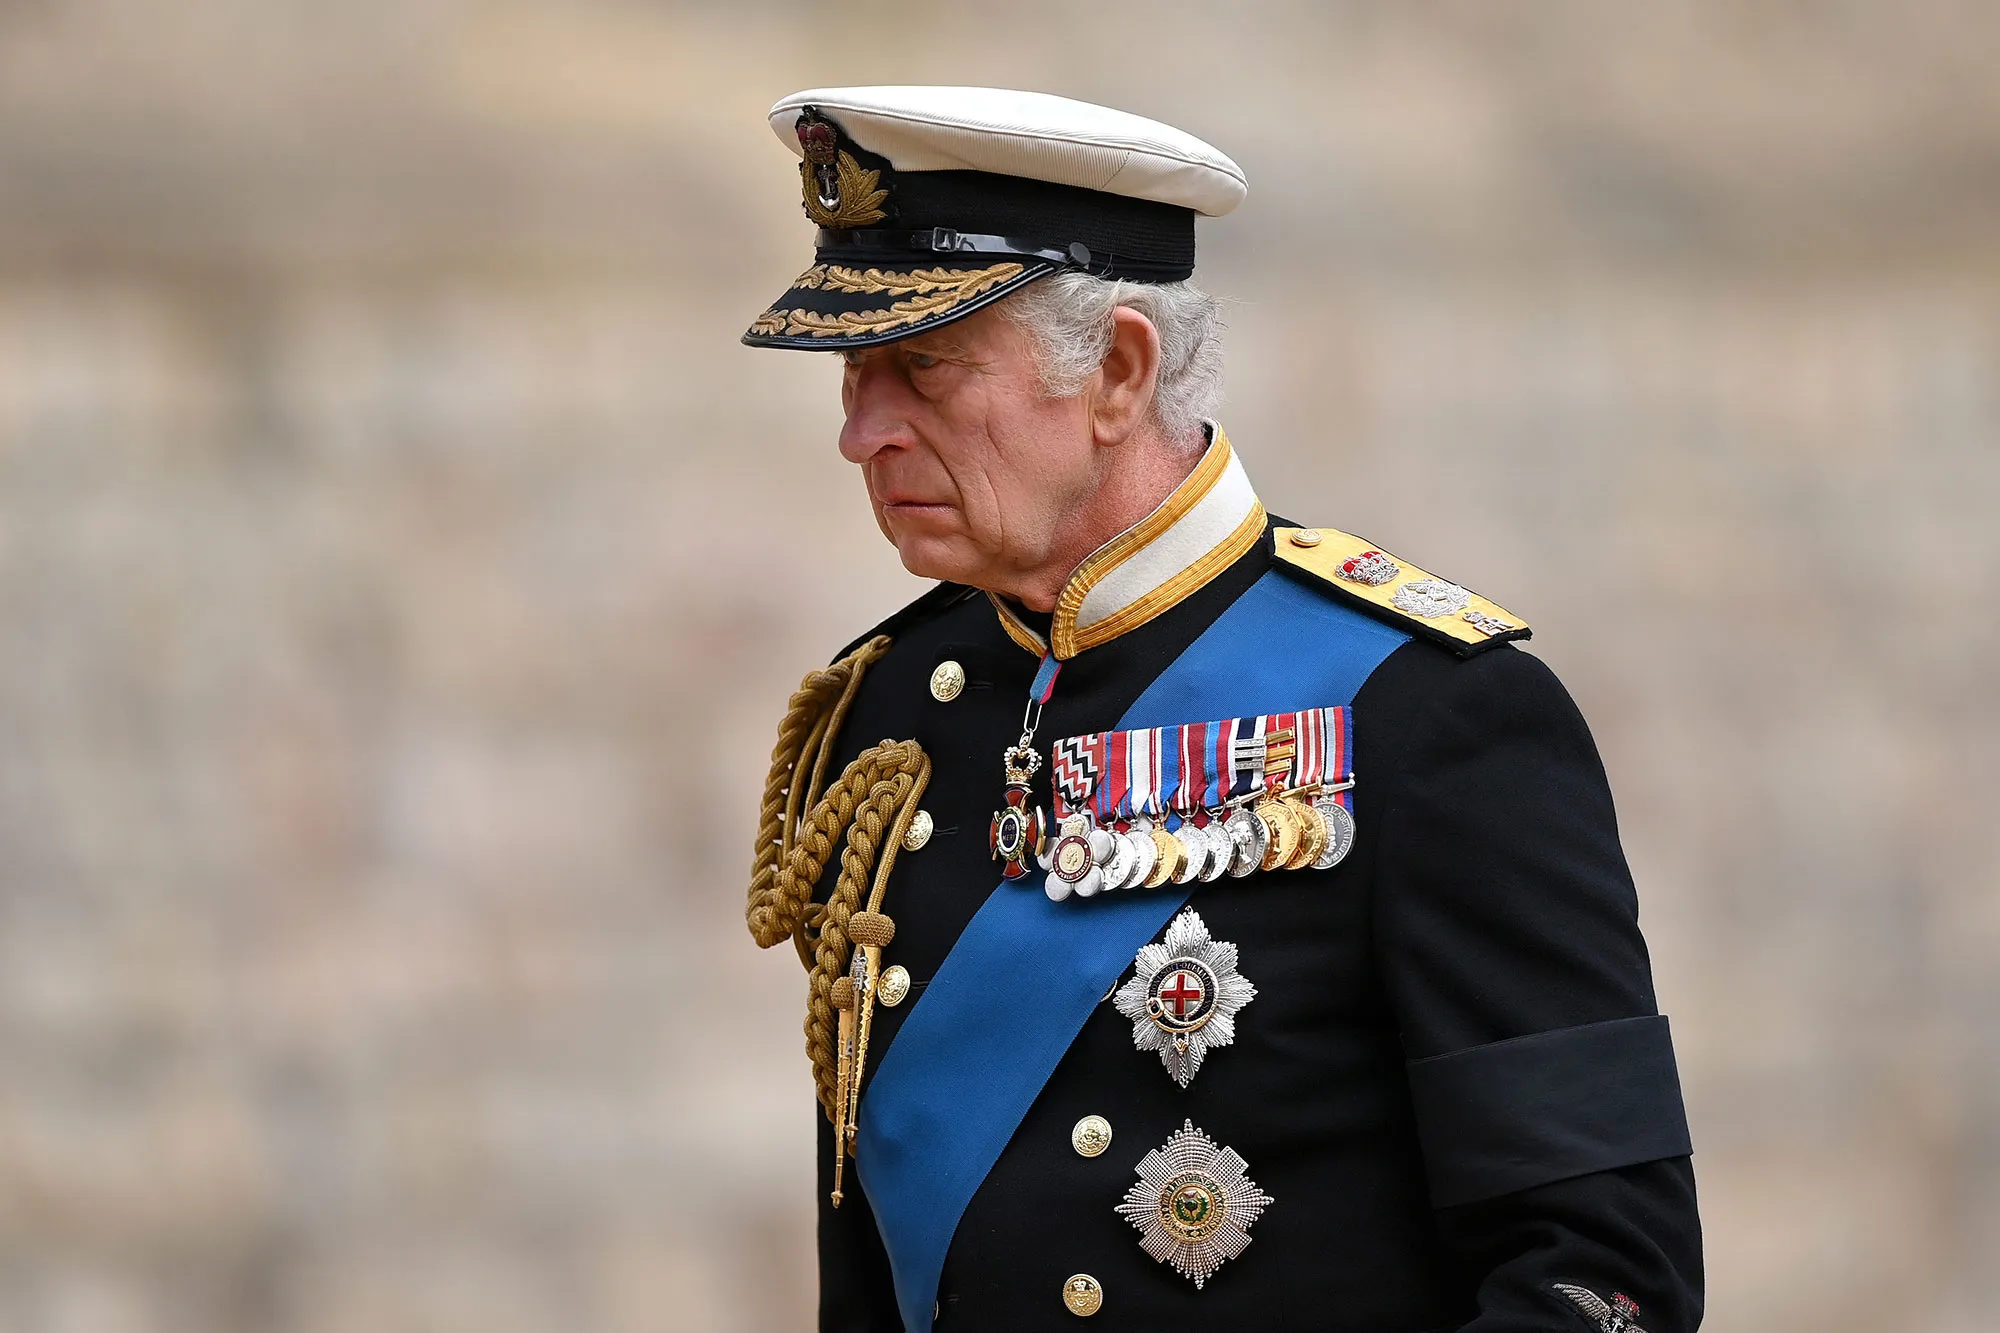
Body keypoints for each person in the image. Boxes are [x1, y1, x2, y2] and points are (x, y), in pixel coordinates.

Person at [740, 86, 1701, 1333]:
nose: (862, 433)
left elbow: (1597, 1272)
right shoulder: (880, 723)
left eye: (921, 369)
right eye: (854, 377)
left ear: (1118, 373)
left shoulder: (1429, 715)